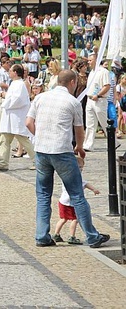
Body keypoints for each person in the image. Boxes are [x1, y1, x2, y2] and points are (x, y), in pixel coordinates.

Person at [26, 69, 110, 248]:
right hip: (62, 152)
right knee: (77, 194)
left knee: (43, 195)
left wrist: (40, 137)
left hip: (42, 152)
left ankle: (42, 236)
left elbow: (28, 123)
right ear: (72, 82)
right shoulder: (72, 102)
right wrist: (79, 147)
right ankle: (92, 236)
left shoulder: (40, 97)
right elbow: (79, 129)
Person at [0, 64, 35, 171]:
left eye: (10, 71)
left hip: (16, 117)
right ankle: (3, 163)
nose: (9, 72)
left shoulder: (20, 84)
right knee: (4, 140)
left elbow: (17, 100)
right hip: (9, 118)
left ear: (15, 72)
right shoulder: (14, 84)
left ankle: (38, 161)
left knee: (24, 140)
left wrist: (5, 102)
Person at [52, 156, 100, 245]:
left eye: (82, 167)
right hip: (71, 203)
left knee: (63, 219)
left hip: (63, 201)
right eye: (79, 167)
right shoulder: (77, 178)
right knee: (75, 219)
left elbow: (85, 183)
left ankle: (56, 234)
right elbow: (86, 184)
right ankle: (72, 236)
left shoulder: (65, 175)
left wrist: (94, 189)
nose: (81, 169)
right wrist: (94, 189)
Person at [83, 56, 110, 151]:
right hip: (90, 99)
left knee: (104, 122)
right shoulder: (91, 72)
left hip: (100, 100)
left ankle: (113, 141)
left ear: (96, 60)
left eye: (90, 60)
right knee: (90, 123)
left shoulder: (104, 72)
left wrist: (98, 95)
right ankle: (88, 144)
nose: (89, 62)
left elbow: (106, 86)